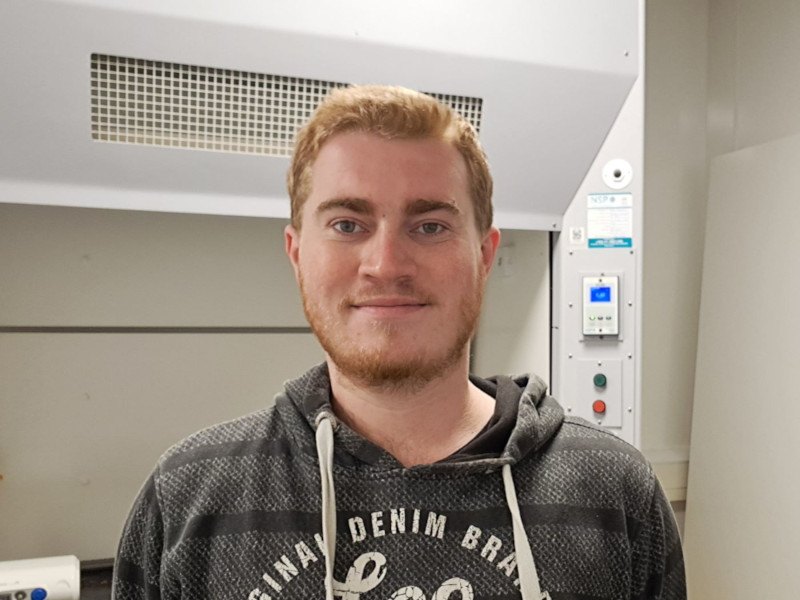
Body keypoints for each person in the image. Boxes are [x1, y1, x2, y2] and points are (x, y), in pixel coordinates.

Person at [112, 85, 686, 600]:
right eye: (347, 224)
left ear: (483, 256)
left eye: (430, 225)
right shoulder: (189, 498)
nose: (386, 264)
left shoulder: (613, 493)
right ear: (296, 254)